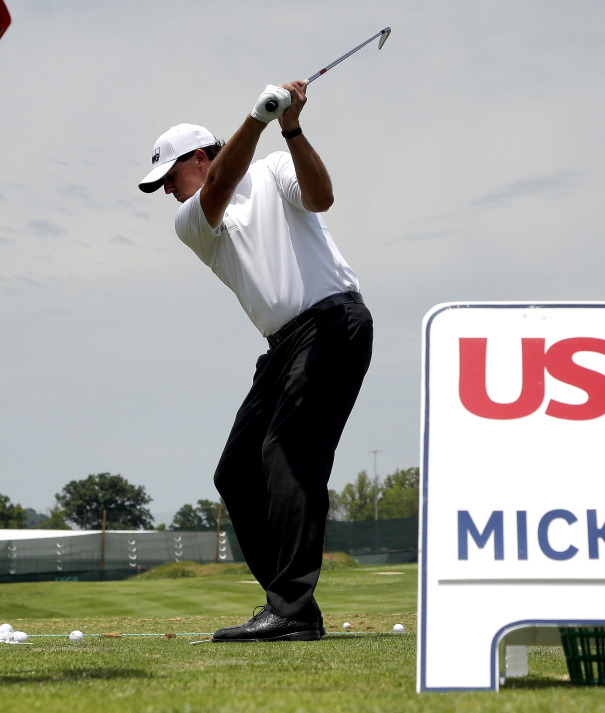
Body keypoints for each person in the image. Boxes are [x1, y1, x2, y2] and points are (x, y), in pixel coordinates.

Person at [138, 82, 373, 642]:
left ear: (198, 156)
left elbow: (321, 198)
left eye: (171, 177)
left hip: (333, 324)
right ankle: (290, 605)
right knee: (237, 471)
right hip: (283, 345)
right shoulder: (193, 218)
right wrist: (260, 115)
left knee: (286, 451)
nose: (168, 191)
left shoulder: (271, 170)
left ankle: (291, 611)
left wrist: (290, 128)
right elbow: (220, 183)